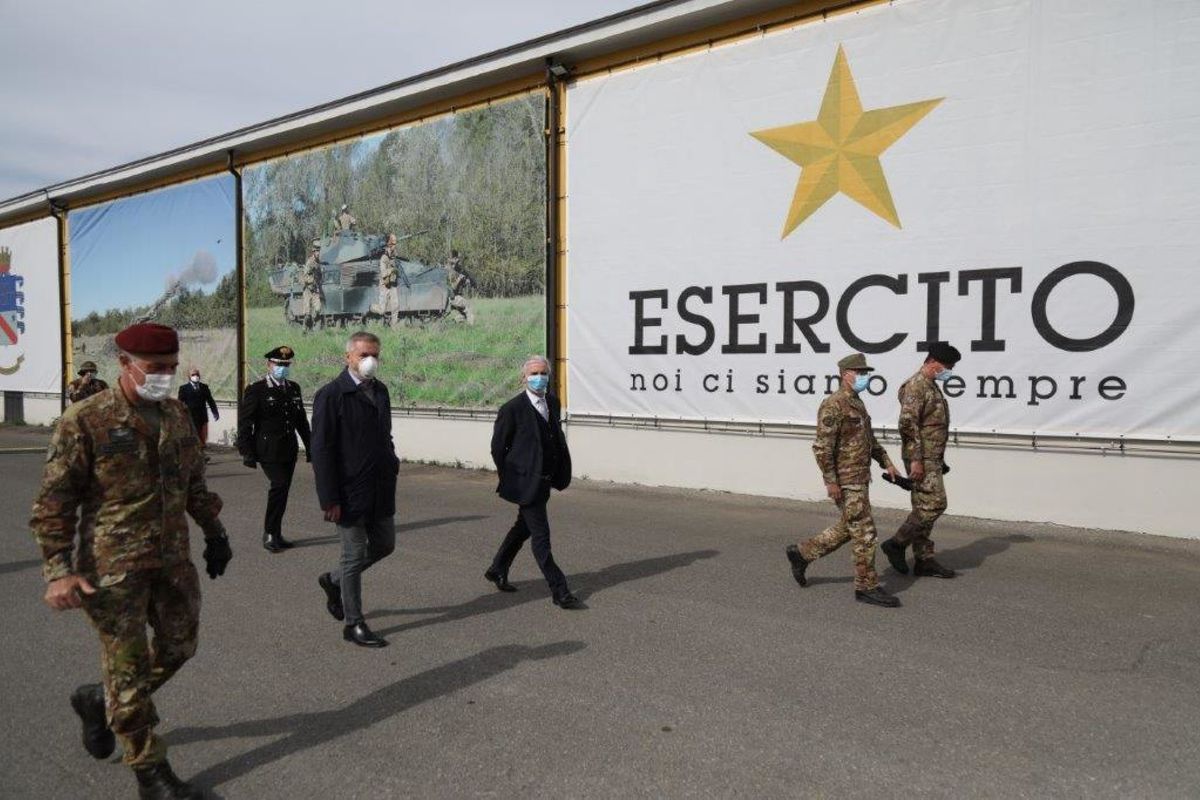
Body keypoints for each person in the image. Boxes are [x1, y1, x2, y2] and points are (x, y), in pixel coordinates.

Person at [29, 322, 231, 800]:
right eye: (155, 368)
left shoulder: (178, 413)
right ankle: (150, 771)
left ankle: (102, 701)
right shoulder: (85, 420)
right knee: (128, 667)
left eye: (171, 367)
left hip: (171, 560)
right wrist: (58, 571)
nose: (165, 376)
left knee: (180, 646)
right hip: (111, 568)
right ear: (124, 363)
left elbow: (194, 484)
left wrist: (215, 532)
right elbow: (53, 504)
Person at [785, 353, 902, 608]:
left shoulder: (857, 403)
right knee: (865, 533)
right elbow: (822, 448)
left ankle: (802, 553)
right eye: (859, 373)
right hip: (846, 479)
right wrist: (831, 481)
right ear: (844, 374)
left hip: (860, 477)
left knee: (849, 527)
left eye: (865, 373)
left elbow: (868, 440)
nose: (864, 377)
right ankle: (866, 586)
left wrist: (887, 462)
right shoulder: (833, 404)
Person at [311, 331, 399, 648]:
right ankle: (354, 623)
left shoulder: (381, 391)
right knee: (352, 557)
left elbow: (384, 435)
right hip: (347, 492)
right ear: (348, 357)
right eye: (363, 355)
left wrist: (392, 461)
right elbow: (320, 451)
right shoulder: (331, 395)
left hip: (380, 487)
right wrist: (329, 498)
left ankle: (332, 581)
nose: (370, 360)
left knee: (385, 544)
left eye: (374, 354)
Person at [485, 355, 580, 609]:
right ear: (524, 378)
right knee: (541, 537)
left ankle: (498, 568)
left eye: (543, 373)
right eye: (534, 374)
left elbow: (552, 437)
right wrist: (513, 478)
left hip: (545, 481)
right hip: (527, 484)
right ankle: (559, 590)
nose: (539, 378)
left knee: (523, 528)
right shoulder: (512, 409)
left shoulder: (552, 401)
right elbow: (497, 449)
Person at [880, 342, 963, 579]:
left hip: (931, 457)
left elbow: (931, 426)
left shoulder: (931, 385)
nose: (950, 370)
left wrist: (939, 459)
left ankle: (924, 559)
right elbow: (908, 425)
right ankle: (896, 543)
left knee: (922, 507)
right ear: (932, 362)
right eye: (948, 366)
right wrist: (916, 460)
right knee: (935, 504)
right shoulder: (916, 386)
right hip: (921, 458)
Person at [237, 345, 312, 553]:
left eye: (286, 364)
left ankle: (276, 533)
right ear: (269, 364)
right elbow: (245, 423)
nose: (283, 368)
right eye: (279, 364)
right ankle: (269, 533)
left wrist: (311, 447)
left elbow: (301, 421)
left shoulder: (293, 388)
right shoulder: (257, 389)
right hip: (267, 449)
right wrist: (247, 452)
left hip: (288, 449)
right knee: (278, 486)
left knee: (283, 490)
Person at [176, 368, 218, 450]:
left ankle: (202, 453)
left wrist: (215, 412)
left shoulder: (204, 387)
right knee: (192, 437)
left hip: (202, 416)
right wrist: (180, 414)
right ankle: (194, 455)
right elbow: (180, 402)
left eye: (197, 374)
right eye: (193, 375)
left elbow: (210, 400)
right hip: (190, 416)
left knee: (202, 437)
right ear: (189, 376)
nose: (196, 376)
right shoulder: (184, 388)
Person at [373, 234, 401, 328]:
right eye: (393, 244)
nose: (394, 246)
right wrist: (392, 270)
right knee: (382, 310)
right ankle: (371, 307)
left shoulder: (393, 256)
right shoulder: (384, 258)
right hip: (384, 285)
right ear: (388, 245)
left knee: (395, 306)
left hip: (393, 284)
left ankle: (394, 326)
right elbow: (384, 274)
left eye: (395, 244)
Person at [300, 239, 324, 331]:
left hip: (315, 290)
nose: (318, 253)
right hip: (308, 290)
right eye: (317, 251)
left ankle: (313, 326)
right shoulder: (310, 262)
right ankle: (305, 329)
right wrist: (312, 280)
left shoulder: (319, 262)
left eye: (319, 251)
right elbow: (304, 277)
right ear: (314, 252)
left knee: (318, 309)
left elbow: (320, 276)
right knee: (307, 314)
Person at [446, 249, 475, 324]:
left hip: (452, 296)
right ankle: (472, 328)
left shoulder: (455, 269)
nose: (458, 260)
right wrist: (459, 279)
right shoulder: (449, 270)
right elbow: (453, 288)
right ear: (451, 259)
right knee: (468, 306)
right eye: (455, 258)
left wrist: (465, 281)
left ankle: (451, 323)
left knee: (463, 314)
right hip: (451, 297)